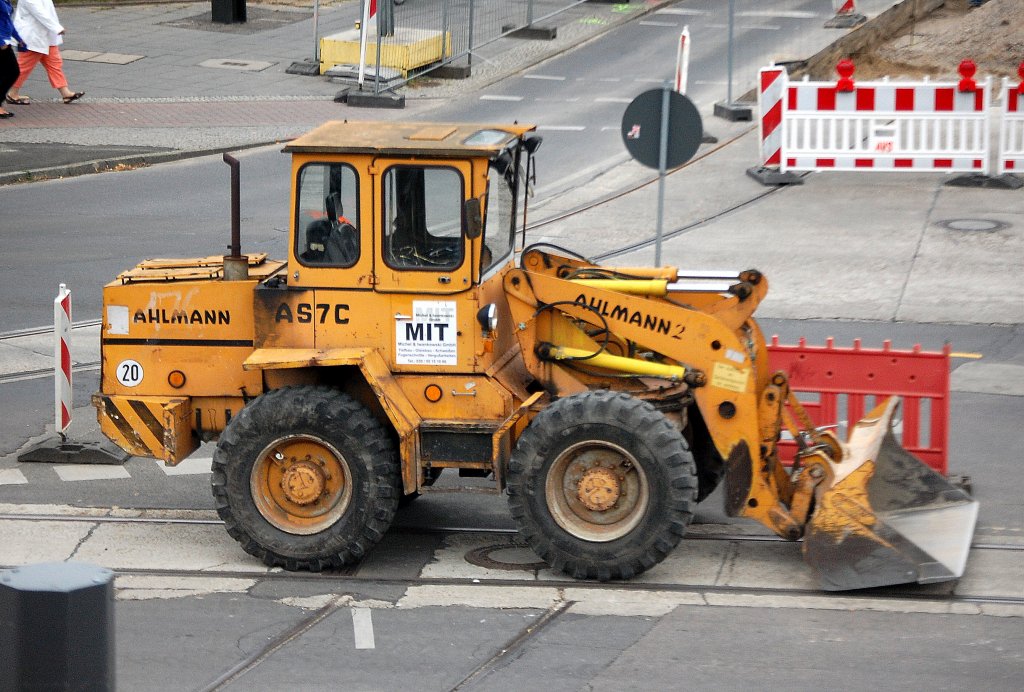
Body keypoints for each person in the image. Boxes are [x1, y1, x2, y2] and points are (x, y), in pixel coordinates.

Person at [5, 0, 83, 106]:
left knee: (55, 64)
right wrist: (56, 28)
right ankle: (12, 93)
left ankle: (66, 93)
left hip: (45, 37)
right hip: (33, 38)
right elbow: (39, 12)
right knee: (23, 68)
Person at [0, 0, 25, 118]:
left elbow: (8, 21)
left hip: (5, 42)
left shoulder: (6, 1)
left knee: (10, 72)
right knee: (12, 72)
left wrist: (19, 39)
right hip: (1, 43)